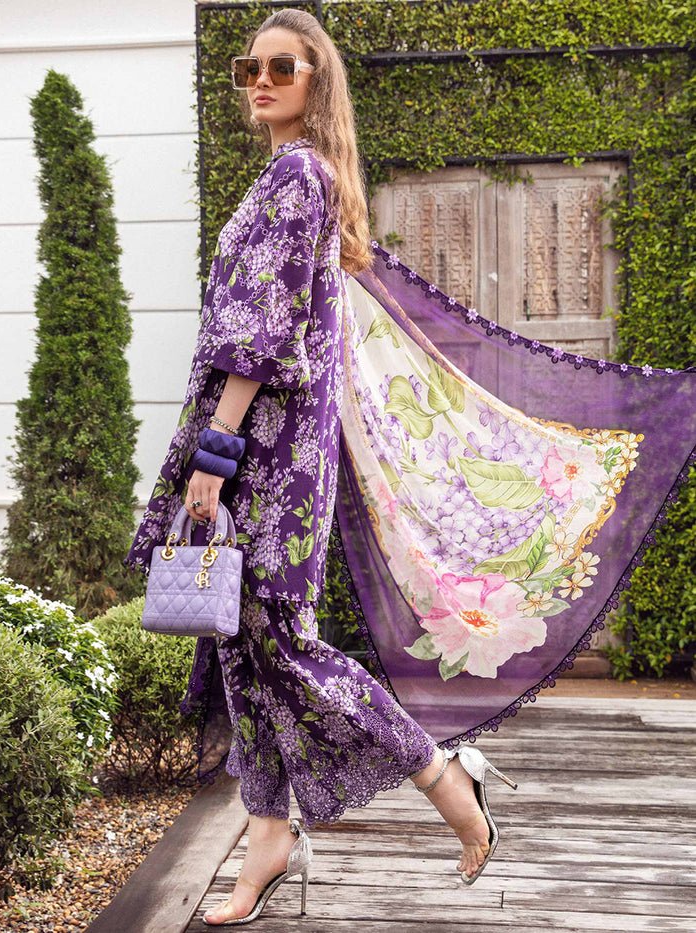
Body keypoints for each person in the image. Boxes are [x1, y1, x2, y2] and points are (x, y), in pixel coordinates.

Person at [124, 6, 696, 928]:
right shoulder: (287, 175)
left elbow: (261, 328)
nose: (260, 81)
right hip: (268, 446)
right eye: (248, 68)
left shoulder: (299, 176)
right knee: (244, 641)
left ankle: (443, 776)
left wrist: (215, 452)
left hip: (264, 453)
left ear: (316, 81)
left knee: (282, 641)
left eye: (282, 67)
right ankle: (267, 829)